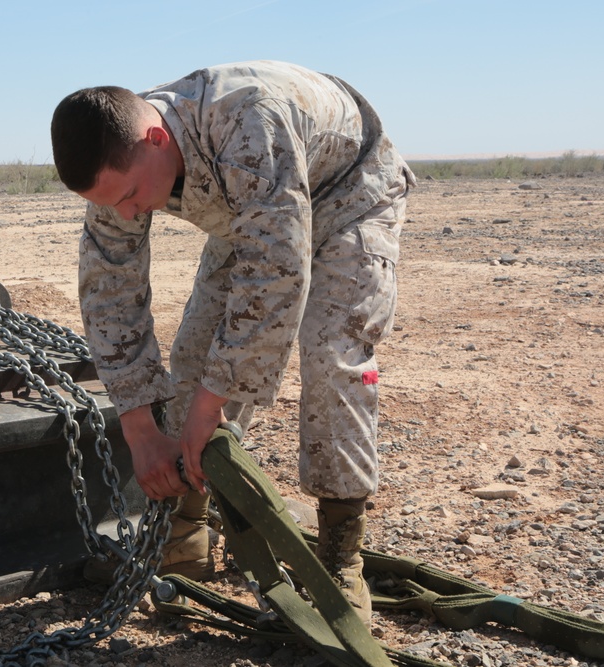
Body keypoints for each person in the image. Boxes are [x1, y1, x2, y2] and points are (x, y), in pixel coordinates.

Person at [50, 60, 414, 626]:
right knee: (195, 356)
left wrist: (212, 405)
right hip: (257, 207)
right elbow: (109, 294)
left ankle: (342, 555)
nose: (126, 213)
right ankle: (185, 534)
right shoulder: (121, 165)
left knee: (333, 355)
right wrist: (140, 427)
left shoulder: (245, 122)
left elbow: (277, 275)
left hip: (348, 194)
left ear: (155, 138)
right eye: (109, 203)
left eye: (129, 195)